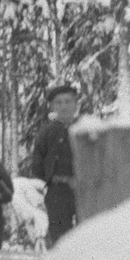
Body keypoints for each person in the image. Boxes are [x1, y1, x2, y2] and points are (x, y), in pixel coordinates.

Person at [31, 83, 79, 246]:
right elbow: (37, 163)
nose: (64, 106)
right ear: (51, 106)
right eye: (58, 102)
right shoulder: (46, 132)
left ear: (75, 104)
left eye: (68, 101)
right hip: (57, 190)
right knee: (59, 237)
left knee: (86, 233)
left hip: (83, 189)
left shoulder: (85, 129)